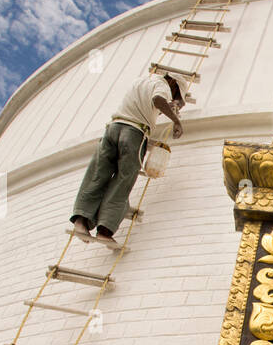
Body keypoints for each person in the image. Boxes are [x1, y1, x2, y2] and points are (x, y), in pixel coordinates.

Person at [68, 73, 185, 246]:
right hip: (133, 134)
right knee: (124, 180)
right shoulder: (164, 87)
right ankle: (104, 230)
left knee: (98, 174)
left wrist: (169, 107)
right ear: (173, 83)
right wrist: (176, 120)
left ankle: (81, 221)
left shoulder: (140, 81)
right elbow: (158, 99)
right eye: (176, 94)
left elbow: (146, 105)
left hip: (112, 129)